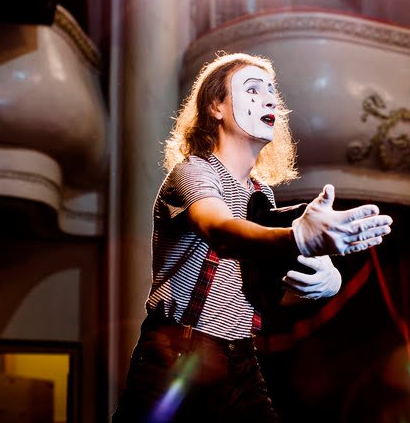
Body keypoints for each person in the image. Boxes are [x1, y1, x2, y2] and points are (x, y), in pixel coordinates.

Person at [112, 52, 393, 422]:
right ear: (216, 106)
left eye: (272, 92)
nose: (271, 100)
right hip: (176, 353)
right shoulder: (194, 171)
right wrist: (297, 237)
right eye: (253, 90)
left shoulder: (261, 195)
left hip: (239, 356)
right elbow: (221, 231)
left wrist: (322, 284)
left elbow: (257, 293)